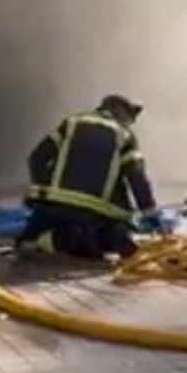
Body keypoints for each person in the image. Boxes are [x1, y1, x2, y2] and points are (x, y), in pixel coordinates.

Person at [20, 94, 162, 261]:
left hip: (52, 210)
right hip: (94, 215)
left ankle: (48, 239)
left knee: (26, 240)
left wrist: (45, 192)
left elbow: (37, 159)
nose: (132, 123)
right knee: (110, 238)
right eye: (131, 117)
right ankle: (74, 240)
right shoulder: (124, 136)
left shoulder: (72, 122)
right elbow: (136, 177)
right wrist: (149, 212)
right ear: (121, 113)